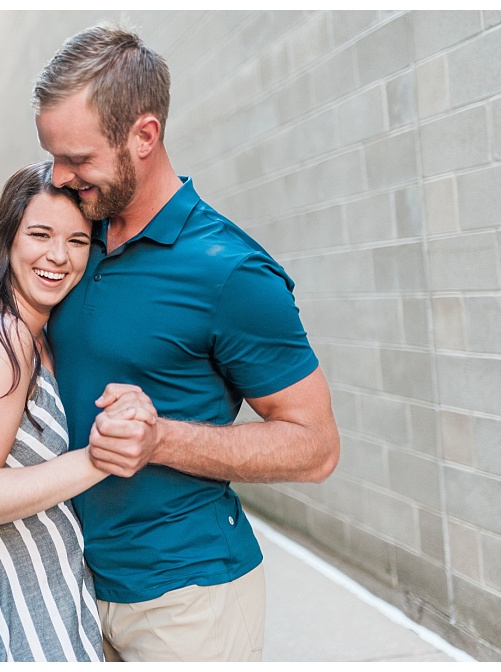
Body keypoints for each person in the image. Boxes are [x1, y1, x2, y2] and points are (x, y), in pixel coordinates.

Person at [32, 24, 341, 662]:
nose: (59, 178)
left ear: (144, 136)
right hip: (70, 588)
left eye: (79, 159)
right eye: (53, 156)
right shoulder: (72, 240)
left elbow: (316, 448)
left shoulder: (230, 271)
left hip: (189, 596)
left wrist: (161, 438)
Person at [0, 161, 147, 662]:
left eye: (78, 241)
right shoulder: (0, 335)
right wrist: (99, 458)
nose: (58, 256)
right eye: (40, 234)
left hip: (40, 584)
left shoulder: (39, 336)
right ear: (8, 239)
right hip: (10, 596)